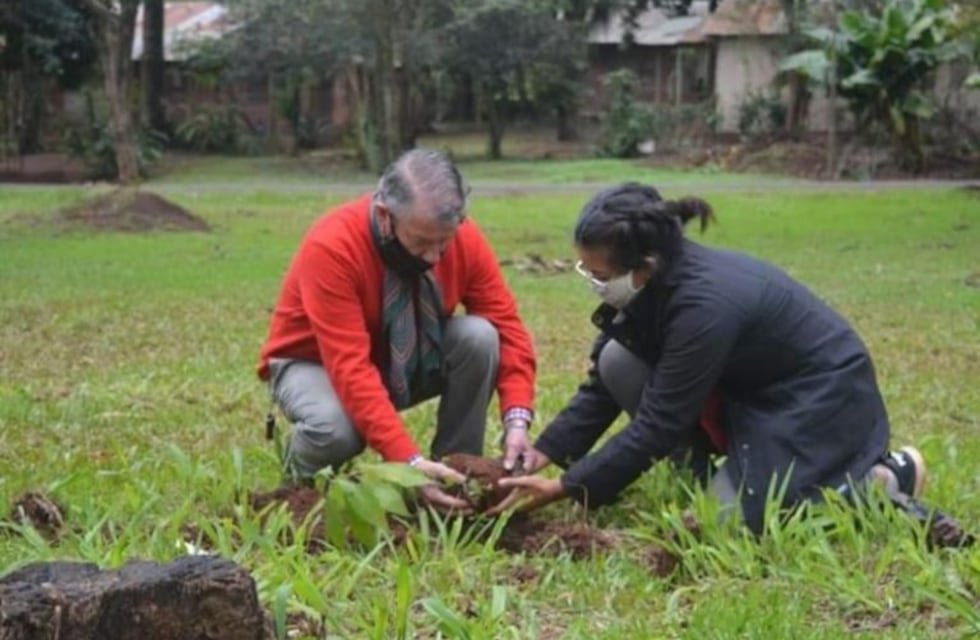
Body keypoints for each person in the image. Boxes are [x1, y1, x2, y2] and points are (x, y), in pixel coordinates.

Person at [490, 183, 968, 544]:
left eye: (599, 275)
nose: (593, 283)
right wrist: (544, 452)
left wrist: (566, 486)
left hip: (815, 403)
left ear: (645, 265)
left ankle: (879, 485)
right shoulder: (652, 286)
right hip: (748, 394)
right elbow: (601, 390)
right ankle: (709, 477)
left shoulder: (704, 307)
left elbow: (660, 423)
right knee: (619, 360)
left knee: (727, 526)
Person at [258, 149, 537, 512]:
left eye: (444, 242)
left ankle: (455, 475)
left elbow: (507, 327)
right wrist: (407, 463)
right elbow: (349, 367)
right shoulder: (333, 247)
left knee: (480, 337)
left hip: (404, 356)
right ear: (384, 216)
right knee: (335, 429)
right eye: (421, 242)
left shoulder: (462, 238)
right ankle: (300, 486)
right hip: (313, 363)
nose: (435, 256)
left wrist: (517, 418)